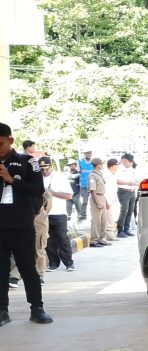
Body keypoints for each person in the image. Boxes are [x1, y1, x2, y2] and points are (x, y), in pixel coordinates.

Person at [0, 122, 52, 326]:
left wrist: (11, 180)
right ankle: (2, 311)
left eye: (1, 144)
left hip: (21, 224)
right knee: (1, 270)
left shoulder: (27, 161)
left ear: (10, 140)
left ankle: (37, 308)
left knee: (27, 268)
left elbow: (38, 189)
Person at [40, 157, 75, 272]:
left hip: (59, 213)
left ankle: (69, 263)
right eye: (42, 169)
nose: (44, 171)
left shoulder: (60, 177)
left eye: (46, 169)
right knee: (48, 240)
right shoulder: (38, 178)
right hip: (44, 214)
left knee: (62, 238)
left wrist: (53, 193)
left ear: (51, 166)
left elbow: (69, 195)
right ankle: (53, 263)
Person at [87, 157, 111, 247]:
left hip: (102, 197)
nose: (102, 165)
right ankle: (94, 240)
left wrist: (106, 202)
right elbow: (93, 191)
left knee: (103, 220)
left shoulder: (99, 174)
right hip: (96, 198)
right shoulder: (92, 175)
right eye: (101, 164)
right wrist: (98, 203)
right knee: (96, 220)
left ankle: (101, 238)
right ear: (97, 165)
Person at [115, 153, 139, 238]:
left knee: (130, 211)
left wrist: (136, 183)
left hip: (132, 192)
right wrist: (127, 183)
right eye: (129, 161)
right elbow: (116, 181)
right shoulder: (119, 169)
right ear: (125, 161)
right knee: (124, 211)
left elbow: (135, 180)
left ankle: (126, 229)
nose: (131, 163)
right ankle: (120, 231)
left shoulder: (132, 169)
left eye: (131, 162)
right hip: (123, 192)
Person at [103, 158, 120, 242]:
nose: (117, 167)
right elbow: (105, 188)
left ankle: (110, 233)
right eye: (116, 165)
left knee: (112, 216)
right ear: (112, 166)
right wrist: (107, 200)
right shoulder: (105, 174)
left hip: (112, 198)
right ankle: (109, 234)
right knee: (108, 217)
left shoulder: (113, 174)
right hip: (107, 199)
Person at [78, 151, 94, 216]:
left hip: (93, 185)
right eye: (87, 153)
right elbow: (77, 172)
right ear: (84, 154)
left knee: (94, 201)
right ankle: (83, 215)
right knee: (84, 201)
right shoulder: (80, 162)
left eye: (90, 153)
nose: (89, 154)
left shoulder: (93, 162)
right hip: (84, 185)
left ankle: (94, 214)